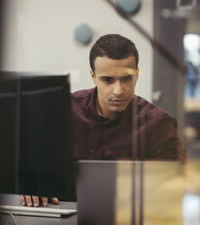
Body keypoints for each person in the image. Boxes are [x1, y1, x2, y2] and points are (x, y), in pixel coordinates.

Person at [20, 34, 185, 207]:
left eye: (127, 78)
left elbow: (175, 187)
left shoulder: (157, 124)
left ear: (136, 74)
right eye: (107, 79)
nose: (118, 91)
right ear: (93, 76)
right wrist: (30, 184)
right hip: (62, 214)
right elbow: (30, 161)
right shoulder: (63, 110)